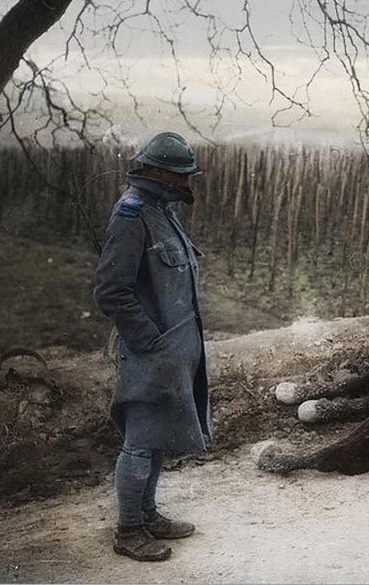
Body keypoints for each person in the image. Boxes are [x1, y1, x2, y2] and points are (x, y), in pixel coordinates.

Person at [94, 132, 211, 561]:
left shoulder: (161, 211)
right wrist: (150, 342)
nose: (186, 184)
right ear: (159, 174)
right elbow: (111, 291)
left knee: (157, 437)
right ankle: (128, 531)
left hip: (172, 352)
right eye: (181, 176)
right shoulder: (132, 215)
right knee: (141, 441)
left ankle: (146, 514)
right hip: (150, 353)